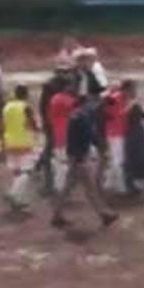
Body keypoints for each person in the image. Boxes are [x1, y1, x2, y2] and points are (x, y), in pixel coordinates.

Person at [51, 96, 118, 230]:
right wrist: (85, 156)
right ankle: (104, 215)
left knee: (71, 187)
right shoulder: (83, 117)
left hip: (75, 155)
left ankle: (57, 215)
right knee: (88, 188)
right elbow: (89, 136)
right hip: (79, 157)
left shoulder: (78, 115)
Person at [1, 85, 41, 210]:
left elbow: (2, 125)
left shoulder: (7, 107)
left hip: (9, 142)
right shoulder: (26, 107)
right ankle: (13, 193)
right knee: (27, 171)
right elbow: (32, 124)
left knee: (17, 172)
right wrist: (38, 129)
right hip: (23, 142)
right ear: (25, 95)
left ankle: (17, 200)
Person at [36, 66, 70, 194]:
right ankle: (48, 181)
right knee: (51, 148)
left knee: (50, 147)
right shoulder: (53, 89)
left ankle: (41, 166)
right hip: (53, 122)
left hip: (52, 121)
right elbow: (45, 107)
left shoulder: (52, 87)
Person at [102, 81, 135, 194]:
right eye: (132, 89)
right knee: (118, 160)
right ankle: (120, 186)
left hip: (117, 131)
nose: (133, 92)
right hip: (115, 132)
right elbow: (115, 113)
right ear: (126, 89)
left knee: (116, 159)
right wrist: (130, 107)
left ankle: (109, 183)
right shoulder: (116, 97)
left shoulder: (121, 97)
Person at [47, 78, 79, 194]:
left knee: (59, 162)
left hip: (57, 133)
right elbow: (78, 110)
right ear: (65, 87)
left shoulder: (54, 99)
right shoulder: (66, 100)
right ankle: (62, 188)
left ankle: (58, 186)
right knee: (65, 163)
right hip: (66, 134)